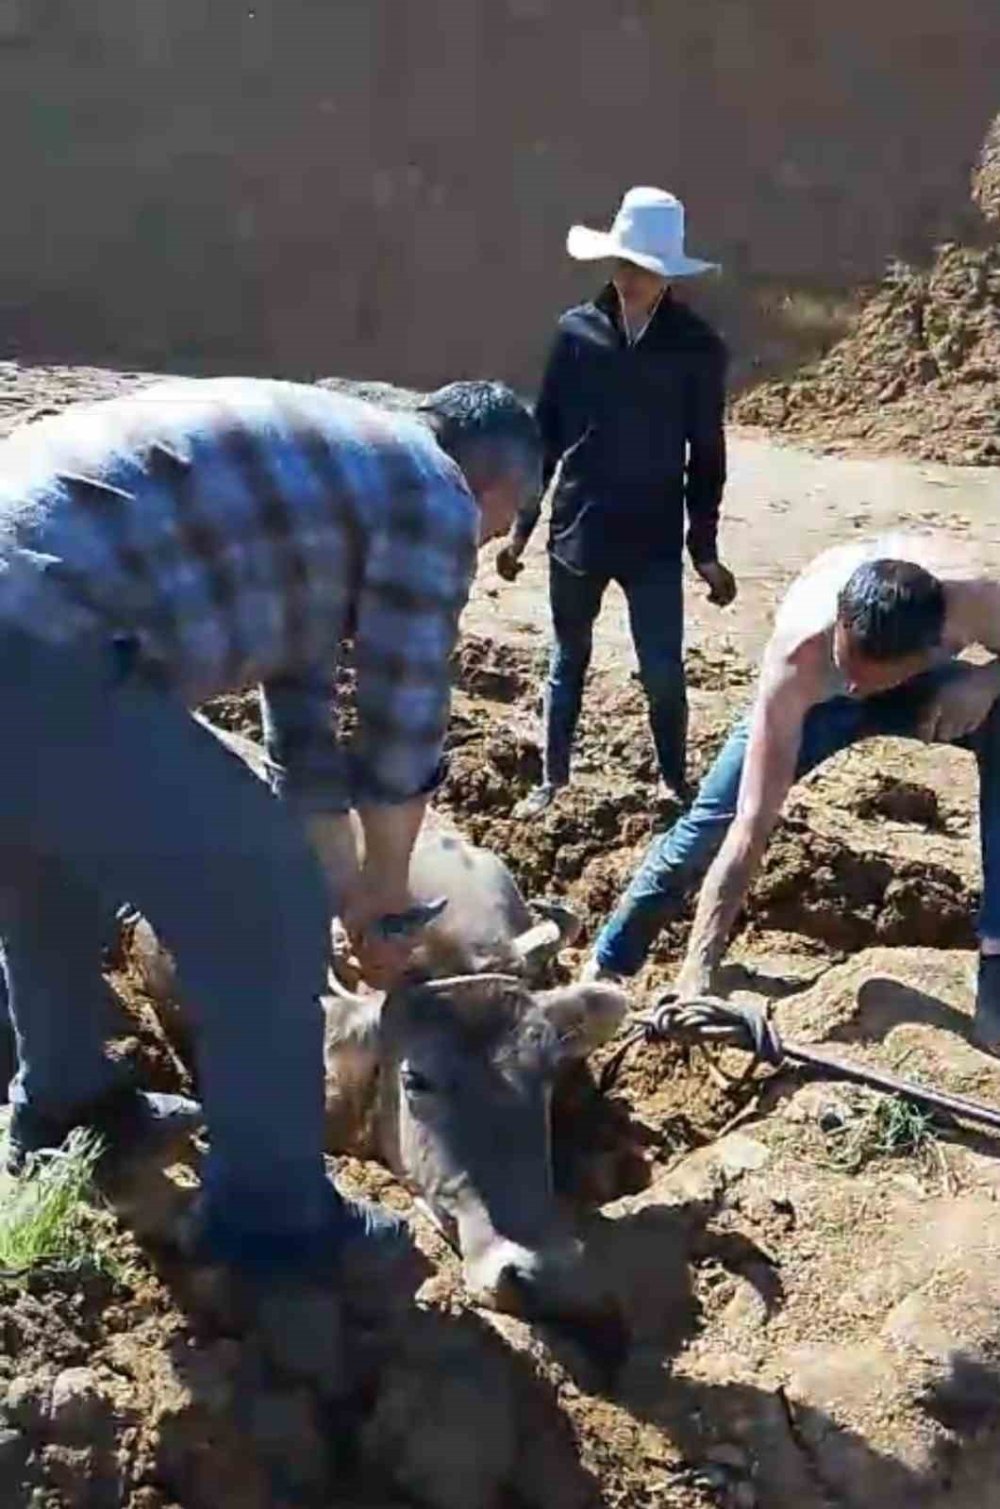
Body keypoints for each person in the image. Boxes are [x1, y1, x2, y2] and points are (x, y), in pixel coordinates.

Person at [0, 374, 540, 1276]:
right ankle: (276, 1220)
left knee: (44, 861)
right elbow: (403, 718)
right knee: (262, 901)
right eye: (504, 525)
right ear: (500, 488)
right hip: (47, 624)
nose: (483, 548)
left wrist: (350, 884)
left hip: (29, 593)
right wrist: (379, 892)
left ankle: (66, 1108)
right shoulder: (431, 493)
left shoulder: (338, 476)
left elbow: (301, 723)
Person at [584, 534, 1000, 1053]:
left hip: (930, 695)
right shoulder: (801, 651)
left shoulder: (975, 597)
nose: (855, 689)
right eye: (848, 668)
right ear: (842, 625)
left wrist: (986, 680)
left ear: (933, 646)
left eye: (866, 681)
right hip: (810, 702)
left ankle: (995, 960)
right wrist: (698, 969)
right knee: (708, 826)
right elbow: (750, 826)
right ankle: (609, 962)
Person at [496, 186, 737, 817]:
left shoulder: (695, 348)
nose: (631, 277)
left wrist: (704, 550)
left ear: (667, 275)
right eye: (625, 264)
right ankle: (553, 781)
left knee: (662, 671)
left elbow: (706, 454)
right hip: (578, 526)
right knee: (567, 659)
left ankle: (675, 783)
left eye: (645, 268)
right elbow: (544, 432)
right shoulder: (576, 333)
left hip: (653, 537)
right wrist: (523, 527)